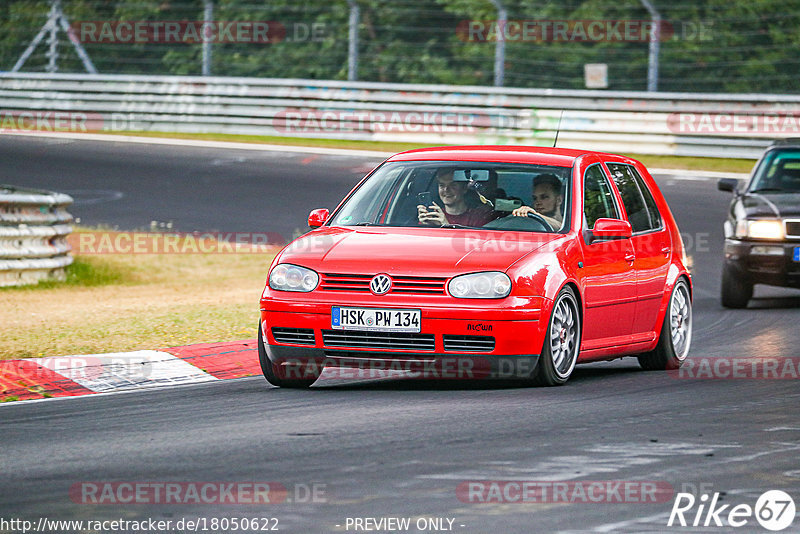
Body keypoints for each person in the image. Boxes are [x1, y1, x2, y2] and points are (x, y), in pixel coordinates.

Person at [418, 169, 495, 227]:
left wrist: (446, 225)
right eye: (442, 185)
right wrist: (425, 225)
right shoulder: (434, 215)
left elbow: (470, 245)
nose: (446, 190)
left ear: (464, 188)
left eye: (453, 185)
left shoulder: (479, 217)